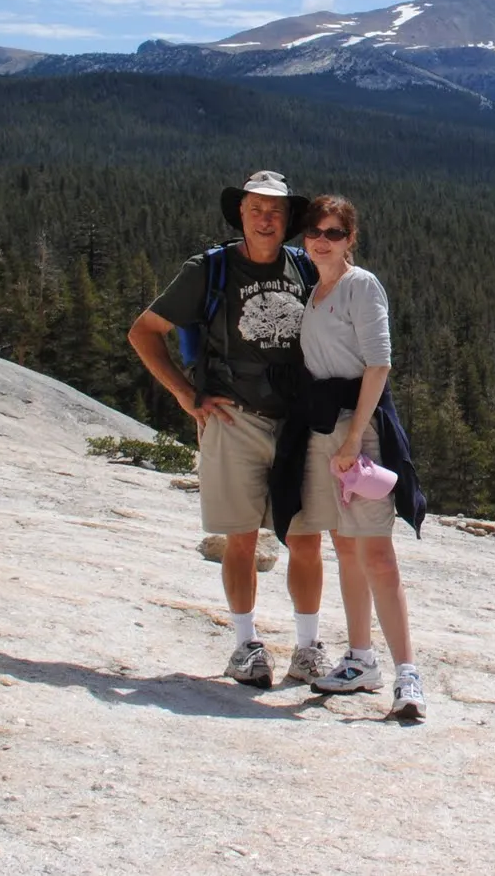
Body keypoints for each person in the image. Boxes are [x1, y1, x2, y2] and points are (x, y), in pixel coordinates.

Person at [125, 171, 334, 690]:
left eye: (277, 211)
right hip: (233, 417)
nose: (267, 219)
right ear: (240, 213)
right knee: (240, 539)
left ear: (288, 221)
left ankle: (307, 650)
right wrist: (182, 392)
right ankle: (245, 646)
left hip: (296, 424)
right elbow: (144, 332)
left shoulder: (305, 269)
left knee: (305, 540)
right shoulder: (210, 270)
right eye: (257, 209)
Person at [271, 193, 428, 720]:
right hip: (324, 431)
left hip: (356, 432)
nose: (321, 239)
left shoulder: (361, 286)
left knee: (377, 555)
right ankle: (361, 660)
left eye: (334, 232)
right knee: (346, 547)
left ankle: (407, 675)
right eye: (314, 231)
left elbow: (379, 366)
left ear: (350, 239)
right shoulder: (316, 291)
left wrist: (352, 439)